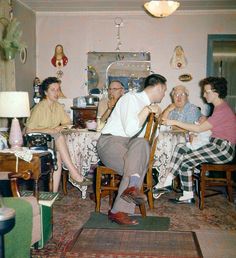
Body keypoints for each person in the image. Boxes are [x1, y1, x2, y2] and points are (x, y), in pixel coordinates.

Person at [97, 74, 167, 225]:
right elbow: (130, 130)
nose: (164, 94)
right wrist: (147, 110)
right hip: (110, 142)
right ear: (159, 87)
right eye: (164, 90)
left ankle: (132, 187)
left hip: (131, 146)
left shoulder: (148, 106)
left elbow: (143, 139)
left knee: (141, 145)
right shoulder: (131, 99)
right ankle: (119, 209)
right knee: (136, 165)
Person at [158, 77, 236, 204]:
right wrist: (206, 118)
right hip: (215, 145)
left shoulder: (222, 110)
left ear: (216, 92)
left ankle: (169, 184)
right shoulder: (218, 108)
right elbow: (212, 126)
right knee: (180, 147)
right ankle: (177, 188)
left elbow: (199, 129)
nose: (203, 95)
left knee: (186, 160)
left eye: (206, 92)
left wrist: (173, 121)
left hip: (223, 149)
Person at [25, 77, 92, 192]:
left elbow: (67, 123)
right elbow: (28, 131)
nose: (56, 93)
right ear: (45, 92)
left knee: (59, 156)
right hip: (36, 142)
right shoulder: (39, 108)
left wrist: (60, 127)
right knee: (59, 137)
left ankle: (54, 193)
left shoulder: (58, 107)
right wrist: (50, 130)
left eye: (58, 89)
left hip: (51, 141)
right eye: (53, 90)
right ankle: (74, 173)